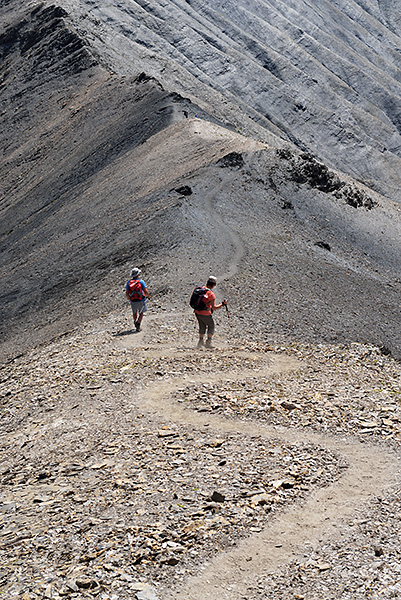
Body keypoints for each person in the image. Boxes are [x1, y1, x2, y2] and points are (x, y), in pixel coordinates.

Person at [193, 276, 227, 348]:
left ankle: (200, 342)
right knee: (211, 326)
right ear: (214, 285)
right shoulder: (211, 294)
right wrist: (222, 304)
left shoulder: (199, 290)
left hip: (197, 312)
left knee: (202, 326)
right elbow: (214, 308)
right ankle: (208, 342)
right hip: (206, 313)